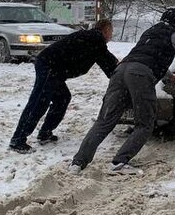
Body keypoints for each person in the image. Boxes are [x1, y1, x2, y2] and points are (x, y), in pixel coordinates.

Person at [69, 7, 175, 175]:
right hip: (140, 75)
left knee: (104, 121)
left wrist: (169, 77)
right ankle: (120, 162)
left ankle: (78, 163)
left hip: (120, 71)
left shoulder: (149, 32)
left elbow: (146, 55)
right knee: (145, 123)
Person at [9, 19, 118, 154]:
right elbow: (106, 61)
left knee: (62, 98)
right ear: (106, 30)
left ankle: (45, 132)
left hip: (55, 68)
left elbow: (105, 58)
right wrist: (118, 71)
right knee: (39, 102)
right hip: (49, 66)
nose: (111, 36)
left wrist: (117, 68)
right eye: (111, 32)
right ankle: (18, 139)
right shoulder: (95, 38)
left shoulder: (92, 40)